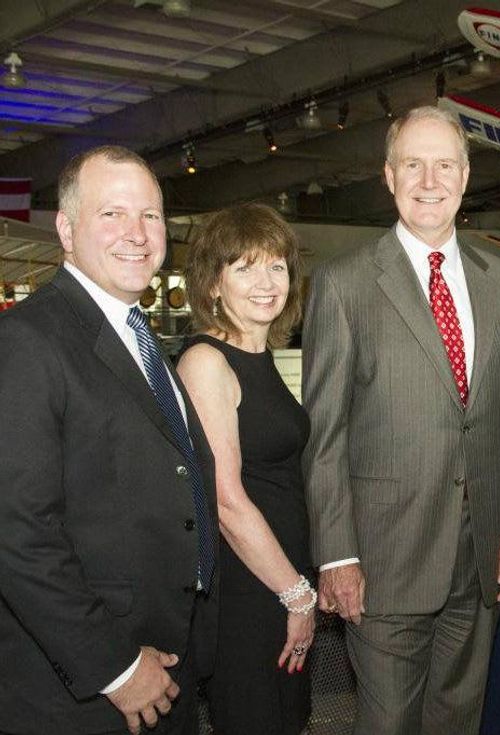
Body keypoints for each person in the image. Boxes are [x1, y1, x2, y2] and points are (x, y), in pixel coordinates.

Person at [302, 105, 500, 735]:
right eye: (413, 164)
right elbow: (325, 436)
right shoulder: (344, 284)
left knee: (458, 722)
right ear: (388, 175)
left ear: (465, 175)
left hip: (480, 559)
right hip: (383, 563)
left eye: (444, 165)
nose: (428, 180)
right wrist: (336, 555)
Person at [0, 145, 219, 735]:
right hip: (87, 688)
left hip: (168, 656)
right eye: (112, 214)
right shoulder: (27, 341)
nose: (138, 234)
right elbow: (18, 532)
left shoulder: (136, 333)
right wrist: (115, 668)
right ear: (67, 230)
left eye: (150, 215)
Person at [176, 202, 314, 735]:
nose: (266, 281)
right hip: (248, 589)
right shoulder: (207, 361)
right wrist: (296, 594)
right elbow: (227, 502)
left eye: (276, 266)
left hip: (277, 575)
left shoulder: (259, 357)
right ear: (213, 284)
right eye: (245, 267)